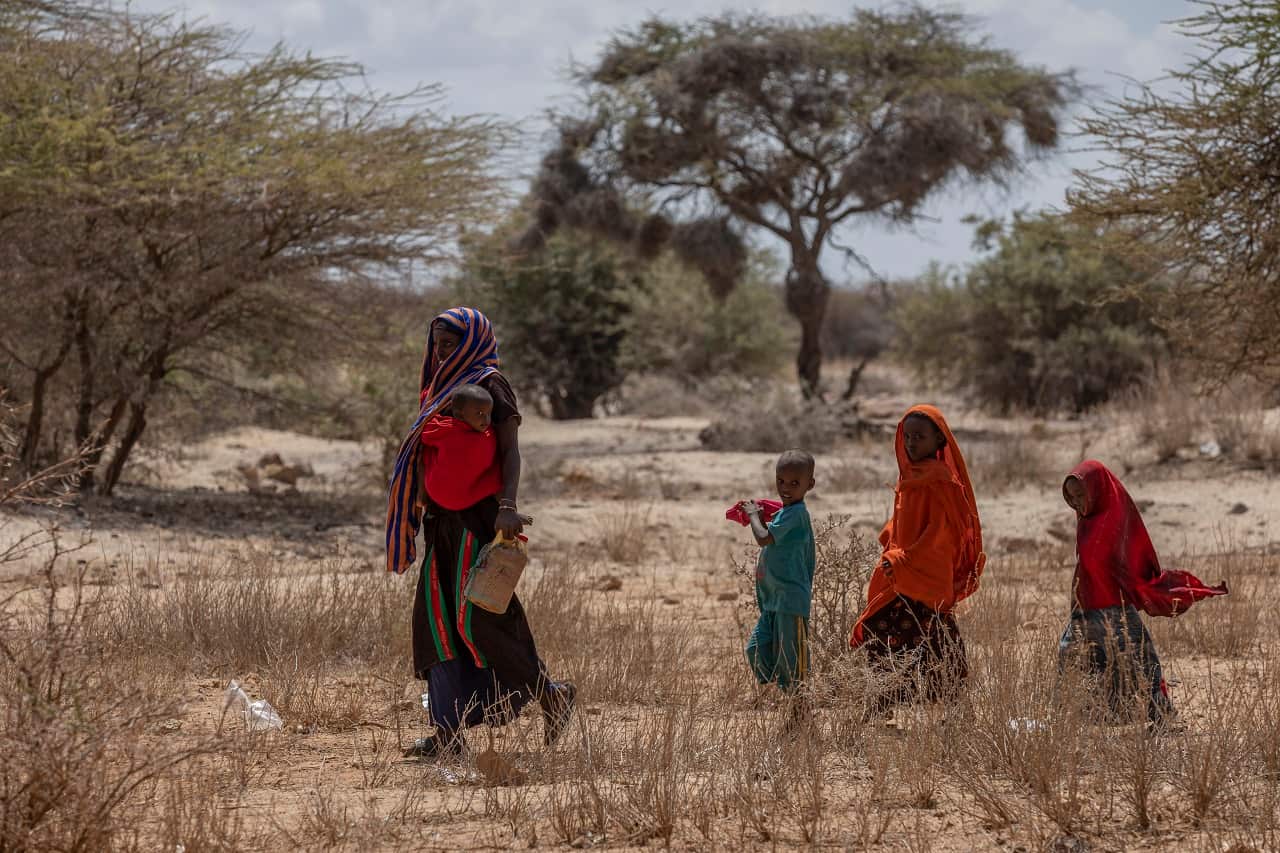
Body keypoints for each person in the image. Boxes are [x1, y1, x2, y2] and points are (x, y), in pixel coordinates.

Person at [385, 307, 575, 758]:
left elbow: (510, 453)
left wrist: (507, 507)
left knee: (482, 618)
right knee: (437, 623)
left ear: (472, 340)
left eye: (450, 342)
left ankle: (551, 693)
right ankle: (448, 734)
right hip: (441, 525)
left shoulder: (491, 385)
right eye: (438, 342)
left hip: (481, 522)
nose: (442, 349)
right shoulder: (438, 387)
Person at [1058, 460, 1227, 725]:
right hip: (1087, 609)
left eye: (1081, 494)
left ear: (1097, 490)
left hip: (1115, 609)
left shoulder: (1112, 519)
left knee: (1139, 662)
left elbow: (1125, 564)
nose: (1077, 502)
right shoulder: (1087, 521)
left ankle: (1164, 718)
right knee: (1077, 661)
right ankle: (1087, 721)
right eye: (1072, 497)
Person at [850, 405, 985, 720]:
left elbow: (939, 531)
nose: (911, 443)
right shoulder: (911, 475)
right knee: (885, 634)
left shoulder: (940, 481)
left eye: (920, 437)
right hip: (902, 573)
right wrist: (890, 537)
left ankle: (952, 710)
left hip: (926, 573)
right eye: (907, 436)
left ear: (939, 439)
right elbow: (905, 522)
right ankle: (883, 704)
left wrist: (903, 558)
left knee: (932, 639)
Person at [737, 450, 817, 727]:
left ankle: (801, 713)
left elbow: (763, 538)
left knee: (794, 662)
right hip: (773, 600)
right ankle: (791, 701)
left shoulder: (796, 514)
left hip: (790, 602)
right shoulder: (787, 512)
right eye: (781, 481)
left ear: (810, 485)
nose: (786, 488)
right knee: (757, 648)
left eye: (795, 483)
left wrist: (753, 516)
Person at [419, 384, 501, 512]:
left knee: (426, 452)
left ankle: (421, 494)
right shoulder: (486, 435)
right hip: (463, 498)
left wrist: (426, 397)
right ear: (459, 415)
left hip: (438, 491)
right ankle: (505, 506)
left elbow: (426, 432)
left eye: (489, 413)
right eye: (479, 413)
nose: (486, 419)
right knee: (497, 473)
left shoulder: (445, 429)